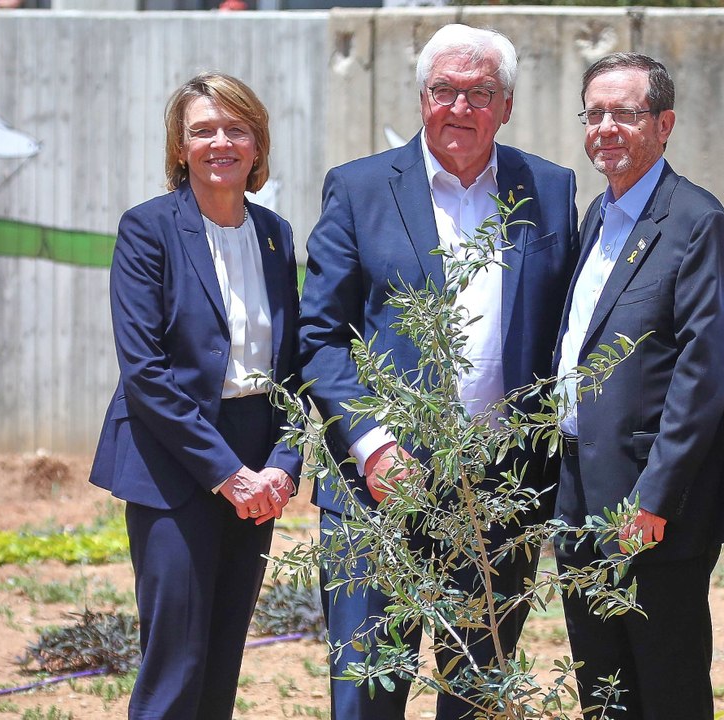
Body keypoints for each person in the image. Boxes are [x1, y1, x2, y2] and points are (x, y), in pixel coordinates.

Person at [298, 23, 579, 720]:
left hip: (498, 496)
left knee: (477, 695)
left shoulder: (550, 189)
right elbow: (322, 337)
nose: (461, 107)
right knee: (368, 690)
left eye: (480, 92)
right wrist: (371, 444)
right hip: (378, 493)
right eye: (444, 90)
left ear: (506, 105)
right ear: (421, 96)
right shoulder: (360, 189)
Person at [89, 71, 301, 720]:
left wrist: (282, 469)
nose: (220, 143)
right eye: (203, 131)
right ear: (179, 149)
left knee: (221, 653)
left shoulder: (275, 234)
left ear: (258, 144)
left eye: (235, 129)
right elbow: (146, 372)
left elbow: (293, 368)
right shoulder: (148, 229)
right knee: (176, 659)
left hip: (256, 458)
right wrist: (227, 474)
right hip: (175, 461)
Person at [552, 52, 724, 719]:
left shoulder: (695, 221)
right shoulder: (594, 219)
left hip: (650, 507)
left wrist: (654, 499)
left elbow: (703, 371)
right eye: (595, 112)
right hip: (575, 491)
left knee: (666, 688)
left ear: (664, 124)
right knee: (601, 686)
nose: (606, 127)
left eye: (625, 114)